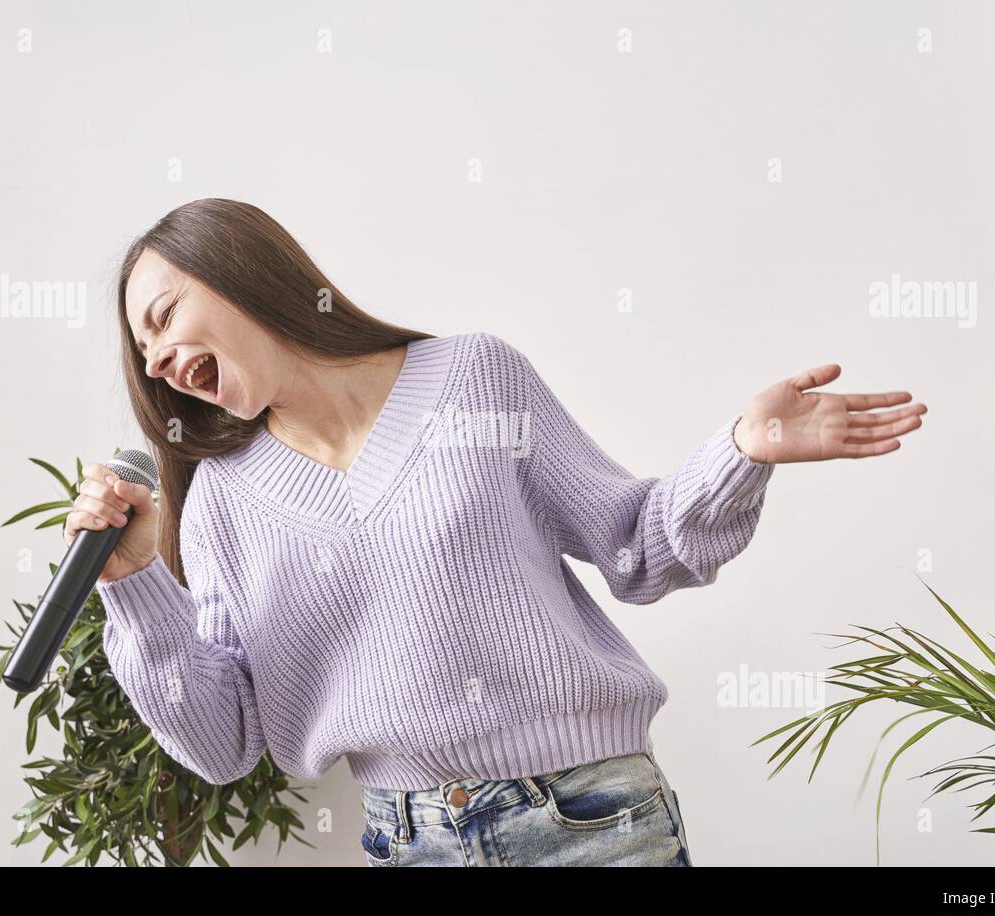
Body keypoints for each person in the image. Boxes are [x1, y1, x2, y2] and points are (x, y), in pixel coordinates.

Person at [66, 197, 927, 866]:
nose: (156, 362)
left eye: (163, 318)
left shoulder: (473, 382)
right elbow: (223, 746)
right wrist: (136, 584)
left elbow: (637, 547)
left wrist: (741, 451)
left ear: (240, 273)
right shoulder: (220, 502)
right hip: (408, 841)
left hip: (592, 820)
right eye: (142, 354)